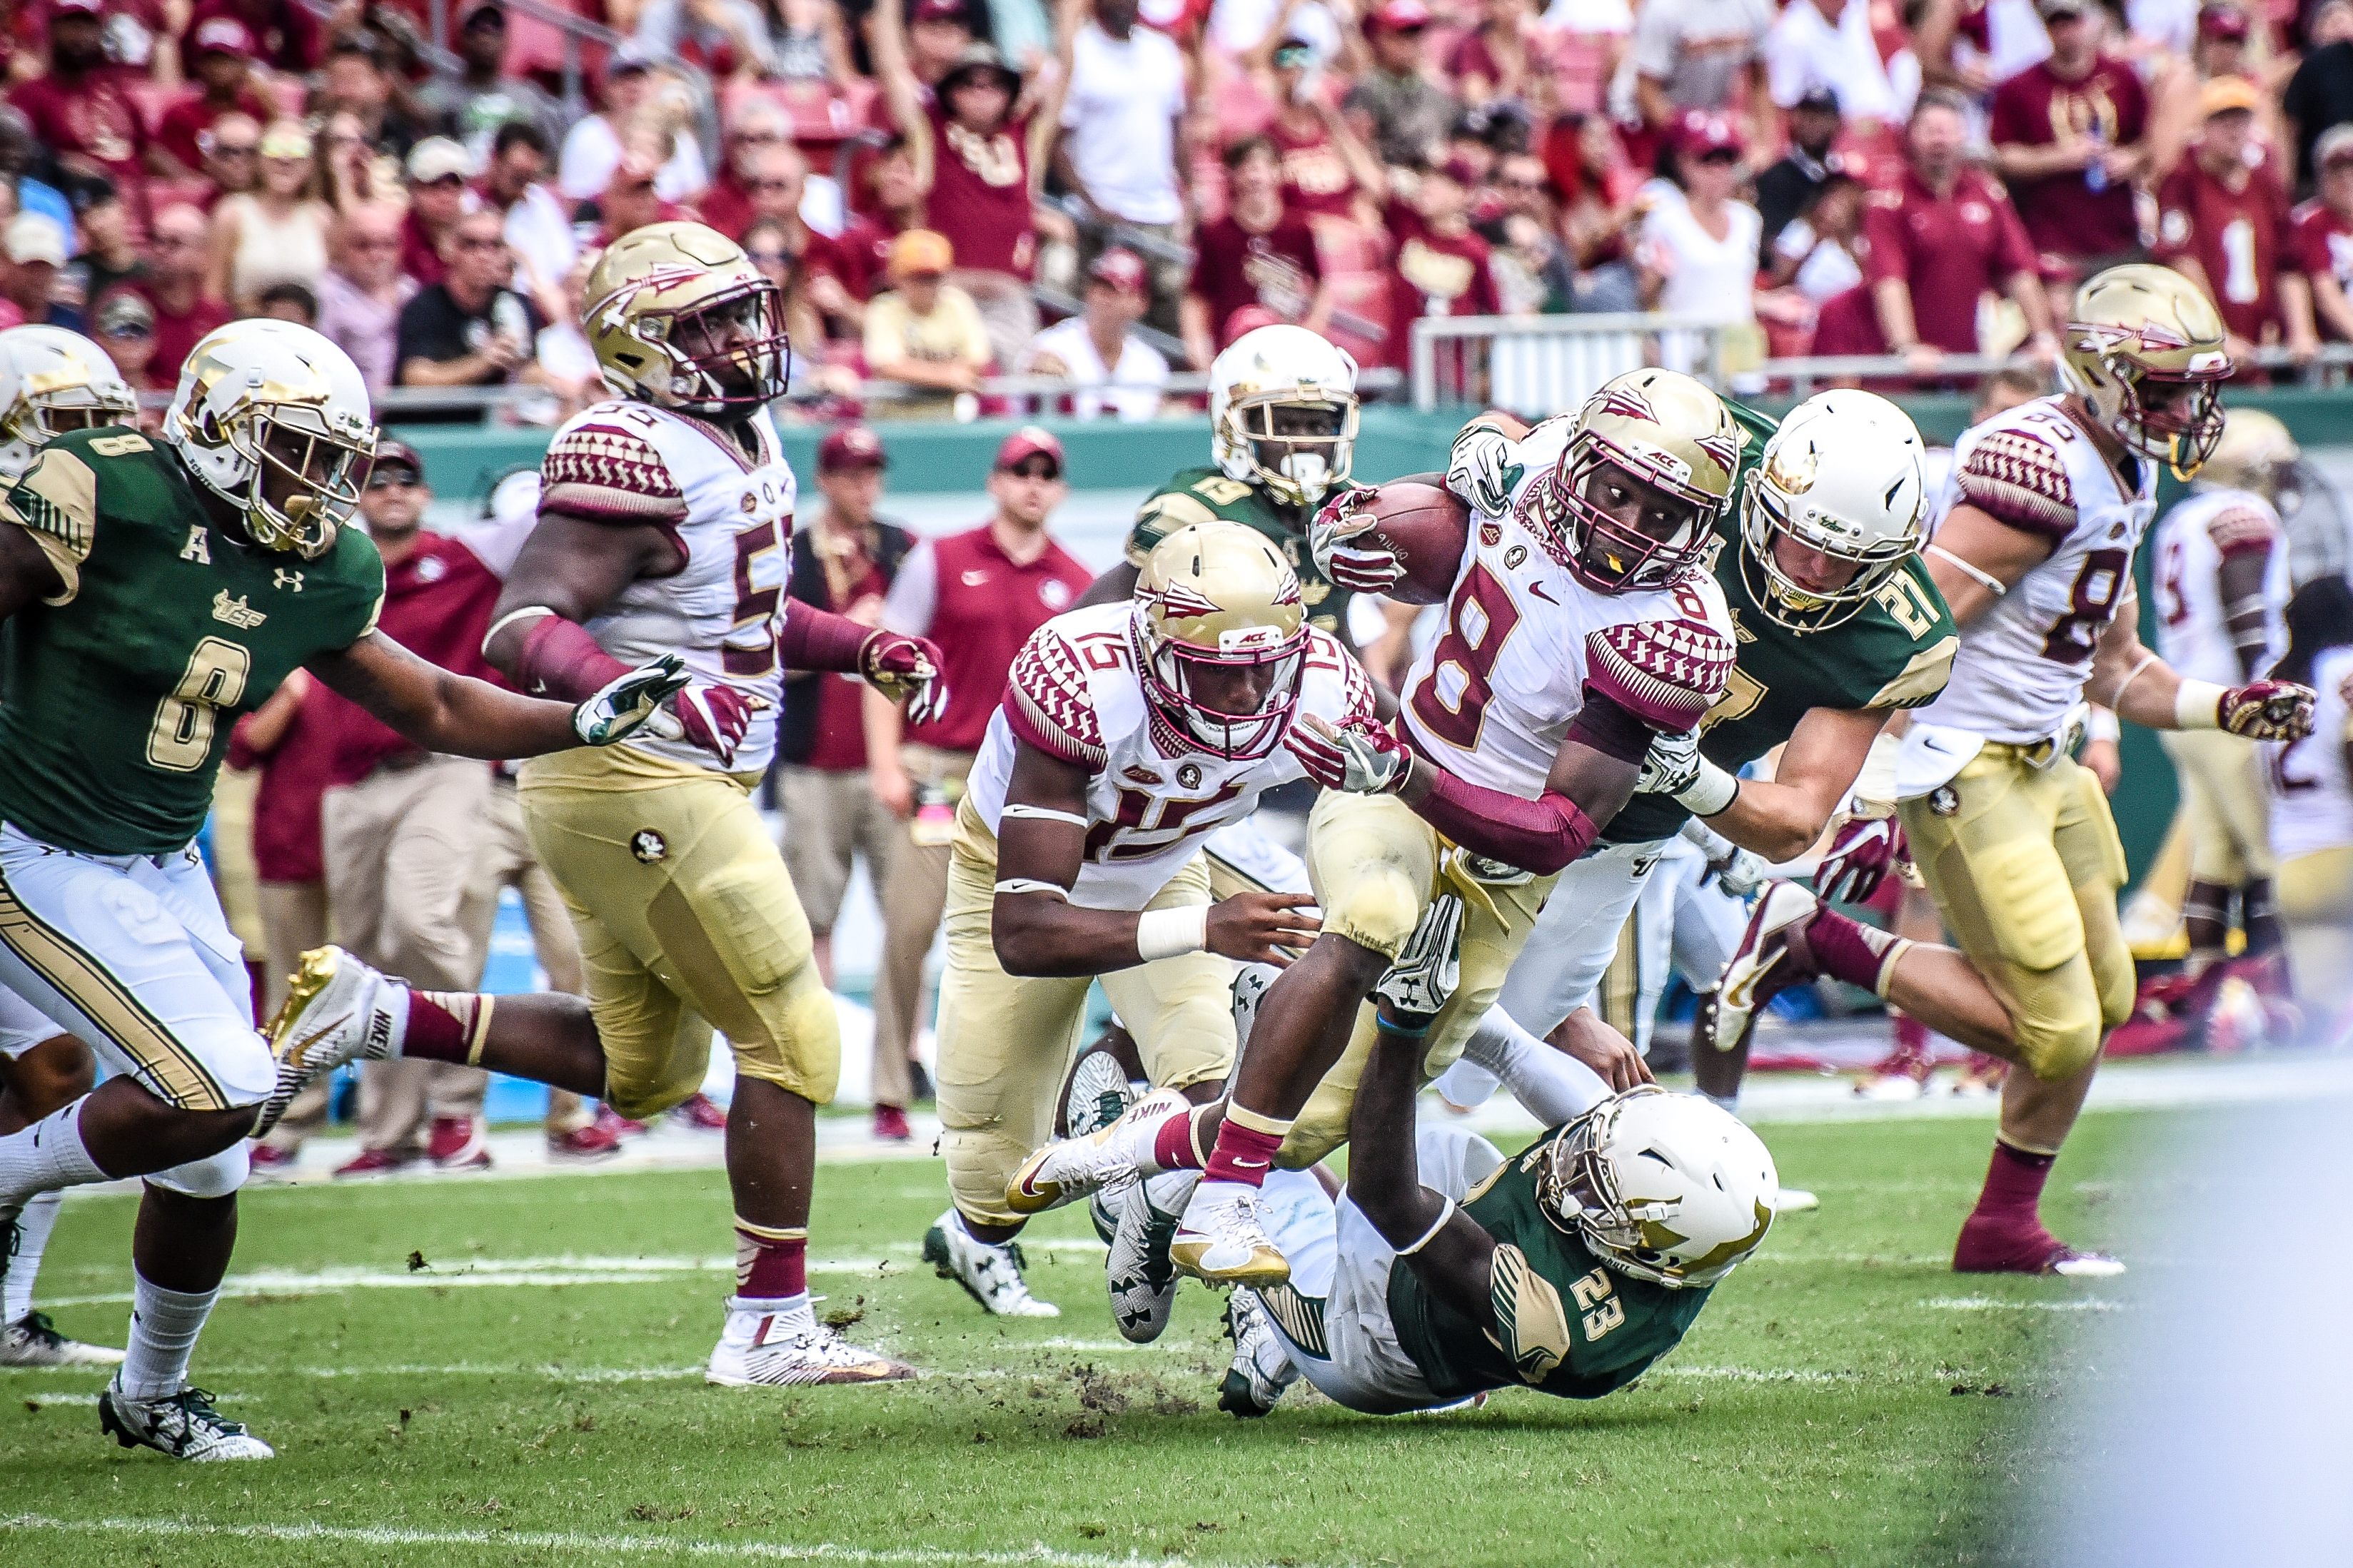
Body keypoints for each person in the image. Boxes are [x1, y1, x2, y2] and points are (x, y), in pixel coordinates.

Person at [0, 318, 684, 1459]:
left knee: (211, 1151)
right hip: (34, 842)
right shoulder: (107, 488)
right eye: (296, 450)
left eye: (333, 459)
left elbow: (436, 704)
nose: (316, 483)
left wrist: (578, 719)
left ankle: (151, 1393)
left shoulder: (324, 562)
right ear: (213, 429)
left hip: (159, 858)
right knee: (222, 1085)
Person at [272, 223, 943, 1387]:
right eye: (708, 323)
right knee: (796, 1035)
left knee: (650, 1073)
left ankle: (377, 1015)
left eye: (744, 312)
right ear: (639, 344)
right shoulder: (627, 449)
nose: (742, 338)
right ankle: (769, 1325)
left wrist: (859, 648)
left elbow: (738, 615)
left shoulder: (739, 436)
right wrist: (616, 687)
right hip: (634, 778)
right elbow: (523, 623)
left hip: (662, 784)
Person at [1019, 368, 1742, 1285]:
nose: (1629, 526)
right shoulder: (1538, 462)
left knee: (1313, 1124)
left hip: (1495, 858)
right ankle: (1224, 1197)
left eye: (1664, 513)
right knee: (1373, 917)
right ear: (1578, 463)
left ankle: (1132, 1149)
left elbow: (1559, 830)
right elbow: (1458, 466)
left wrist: (1411, 774)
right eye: (1616, 491)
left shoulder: (1672, 628)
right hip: (1386, 790)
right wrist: (1402, 506)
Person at [1706, 265, 2315, 1277]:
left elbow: (2114, 667)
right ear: (2103, 375)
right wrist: (1875, 789)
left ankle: (2001, 1227)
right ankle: (1814, 939)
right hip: (1967, 766)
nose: (2185, 413)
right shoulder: (2037, 467)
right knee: (2057, 1031)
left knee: (2106, 1002)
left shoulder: (2124, 466)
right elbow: (1906, 635)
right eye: (2165, 389)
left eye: (2192, 390)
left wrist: (2223, 705)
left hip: (2048, 760)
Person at [926, 522, 1365, 1317]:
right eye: (1216, 672)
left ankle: (1144, 1184)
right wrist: (1207, 928)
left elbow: (1410, 780)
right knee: (993, 1192)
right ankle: (1097, 1192)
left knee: (1216, 1091)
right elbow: (1024, 931)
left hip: (1161, 870)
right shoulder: (1083, 681)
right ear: (1157, 650)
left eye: (1263, 667)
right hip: (1016, 884)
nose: (1246, 696)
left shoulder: (1324, 685)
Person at [1220, 958, 1776, 1418]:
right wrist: (1427, 970)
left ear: (1647, 1257)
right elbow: (1507, 1046)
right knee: (1456, 1140)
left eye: (1596, 1191)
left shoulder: (1556, 1322)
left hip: (1374, 1340)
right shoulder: (1689, 1232)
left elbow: (1383, 1194)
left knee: (1242, 1162)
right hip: (1469, 1288)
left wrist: (1402, 1022)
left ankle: (1264, 1327)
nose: (1571, 1169)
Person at [865, 427, 1094, 1148]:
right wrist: (885, 762)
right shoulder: (939, 559)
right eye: (1020, 471)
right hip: (940, 771)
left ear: (1060, 490)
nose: (1033, 484)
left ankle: (1033, 1090)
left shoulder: (1076, 580)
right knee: (910, 927)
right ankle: (890, 1088)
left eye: (1046, 474)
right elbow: (888, 664)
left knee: (1041, 929)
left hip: (1030, 778)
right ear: (995, 481)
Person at [0, 323, 136, 1370]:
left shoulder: (106, 545)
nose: (92, 451)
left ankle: (6, 1311)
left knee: (59, 1065)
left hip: (32, 838)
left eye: (104, 425)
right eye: (67, 427)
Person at [1076, 325, 1364, 652]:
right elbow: (1087, 623)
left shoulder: (1343, 509)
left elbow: (1335, 637)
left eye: (1318, 426)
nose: (1303, 442)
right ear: (1233, 427)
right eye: (1283, 424)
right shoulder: (1198, 512)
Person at [2148, 408, 2289, 982]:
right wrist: (2267, 695)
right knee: (2271, 852)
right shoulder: (2242, 515)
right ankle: (2278, 987)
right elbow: (2247, 613)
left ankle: (2204, 981)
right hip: (2232, 705)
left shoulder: (2181, 519)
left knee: (2214, 854)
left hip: (2186, 704)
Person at [779, 425, 914, 1013]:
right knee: (811, 918)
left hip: (895, 765)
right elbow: (765, 658)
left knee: (908, 919)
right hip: (815, 764)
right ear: (824, 481)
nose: (866, 488)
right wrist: (843, 636)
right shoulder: (791, 554)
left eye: (873, 475)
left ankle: (905, 1049)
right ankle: (821, 1038)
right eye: (853, 476)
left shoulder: (902, 549)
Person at [1814, 91, 2056, 372]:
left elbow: (2019, 271)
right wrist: (1906, 347)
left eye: (1948, 131)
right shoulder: (1888, 199)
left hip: (1970, 360)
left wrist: (2044, 337)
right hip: (1907, 370)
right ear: (1910, 135)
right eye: (1930, 131)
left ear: (1964, 136)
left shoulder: (1987, 192)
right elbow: (1889, 280)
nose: (1940, 140)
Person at [874, 0, 1057, 369]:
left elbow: (1064, 75)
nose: (981, 91)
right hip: (946, 290)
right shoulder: (930, 130)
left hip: (1010, 295)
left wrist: (1068, 19)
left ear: (1008, 93)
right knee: (953, 380)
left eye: (994, 84)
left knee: (1011, 386)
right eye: (969, 84)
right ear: (952, 91)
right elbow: (891, 67)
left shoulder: (1025, 135)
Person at [1990, 0, 2151, 290]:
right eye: (2056, 24)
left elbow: (2149, 139)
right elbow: (2002, 156)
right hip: (2055, 241)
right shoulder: (2019, 88)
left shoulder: (2122, 76)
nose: (2066, 33)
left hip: (2119, 235)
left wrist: (2131, 158)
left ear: (2089, 23)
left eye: (2073, 22)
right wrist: (2059, 158)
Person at [1054, 0, 1190, 327]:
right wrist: (1092, 203)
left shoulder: (1162, 49)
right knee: (1094, 324)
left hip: (1160, 213)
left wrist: (1190, 192)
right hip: (1099, 219)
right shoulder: (1078, 52)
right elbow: (1055, 142)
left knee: (1167, 325)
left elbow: (1177, 130)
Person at [2154, 77, 2309, 363]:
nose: (2234, 132)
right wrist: (2218, 333)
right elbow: (2182, 261)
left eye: (2241, 122)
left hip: (2259, 342)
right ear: (2204, 127)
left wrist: (2301, 331)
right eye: (2223, 123)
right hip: (2200, 345)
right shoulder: (2182, 181)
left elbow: (2289, 262)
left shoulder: (2266, 183)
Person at [2264, 577, 2353, 1039]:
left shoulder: (2274, 685)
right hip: (2344, 854)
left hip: (2294, 871)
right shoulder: (2344, 669)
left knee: (2328, 1025)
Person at [1183, 138, 1332, 370]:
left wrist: (1310, 334)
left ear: (1279, 173)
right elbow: (1196, 297)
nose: (1256, 178)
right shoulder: (1215, 234)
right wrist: (1199, 353)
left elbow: (1323, 286)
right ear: (1233, 175)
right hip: (1233, 353)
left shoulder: (1299, 230)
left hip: (1285, 354)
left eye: (1264, 168)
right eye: (1247, 169)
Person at [1635, 115, 1760, 374]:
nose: (1717, 173)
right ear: (1685, 165)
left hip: (1737, 348)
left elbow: (1739, 286)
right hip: (1686, 351)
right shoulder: (1666, 220)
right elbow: (1648, 294)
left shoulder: (1748, 219)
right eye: (1707, 162)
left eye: (1725, 163)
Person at [393, 207, 545, 421]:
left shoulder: (517, 304)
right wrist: (483, 362)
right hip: (434, 426)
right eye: (471, 245)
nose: (484, 256)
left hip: (497, 428)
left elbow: (530, 368)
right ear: (449, 250)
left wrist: (558, 382)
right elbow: (415, 379)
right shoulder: (424, 306)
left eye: (495, 245)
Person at [1019, 247, 1169, 420]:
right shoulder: (1052, 347)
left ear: (1141, 303)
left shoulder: (1151, 364)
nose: (1102, 297)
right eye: (1097, 287)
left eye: (1114, 291)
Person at [205, 121, 335, 318]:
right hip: (246, 325)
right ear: (258, 159)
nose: (285, 159)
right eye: (274, 148)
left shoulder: (322, 217)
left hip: (305, 330)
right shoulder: (232, 213)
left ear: (310, 163)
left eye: (298, 150)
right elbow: (212, 293)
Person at [861, 228, 993, 420]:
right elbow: (887, 366)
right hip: (892, 424)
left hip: (946, 424)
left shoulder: (957, 304)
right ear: (897, 277)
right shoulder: (884, 308)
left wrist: (915, 371)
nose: (926, 287)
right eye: (917, 278)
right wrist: (947, 376)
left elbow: (977, 362)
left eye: (932, 278)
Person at [417, 1, 566, 162]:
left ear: (507, 41)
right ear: (461, 37)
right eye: (476, 28)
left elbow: (553, 158)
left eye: (495, 28)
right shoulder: (435, 94)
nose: (485, 37)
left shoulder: (529, 97)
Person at [558, 49, 706, 206]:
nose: (632, 88)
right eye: (624, 80)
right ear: (607, 89)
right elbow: (572, 203)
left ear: (652, 86)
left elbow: (696, 196)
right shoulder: (585, 136)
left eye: (639, 79)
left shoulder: (676, 133)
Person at [1385, 157, 1503, 354]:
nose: (1428, 188)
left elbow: (1493, 314)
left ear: (1463, 194)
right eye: (1427, 179)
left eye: (1441, 182)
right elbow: (1373, 183)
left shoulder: (1476, 250)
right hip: (1401, 361)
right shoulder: (1407, 225)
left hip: (1449, 367)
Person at [1631, 0, 1775, 151]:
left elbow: (1762, 79)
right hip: (1650, 127)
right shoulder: (1663, 8)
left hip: (1712, 122)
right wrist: (1689, 137)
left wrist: (1763, 145)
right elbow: (1647, 92)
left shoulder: (1755, 5)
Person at [1344, 0, 1460, 169]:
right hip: (1392, 171)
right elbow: (1359, 149)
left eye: (1414, 36)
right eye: (1400, 36)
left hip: (1436, 172)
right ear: (1382, 38)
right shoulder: (1366, 89)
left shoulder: (1434, 87)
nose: (1408, 44)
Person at [1762, 0, 1905, 135]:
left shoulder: (1855, 10)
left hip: (1890, 125)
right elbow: (1787, 106)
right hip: (1842, 137)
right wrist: (1846, 126)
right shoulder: (1793, 33)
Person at [480, 123, 575, 326]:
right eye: (516, 173)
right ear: (496, 160)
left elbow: (565, 264)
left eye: (528, 176)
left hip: (541, 305)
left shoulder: (540, 202)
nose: (522, 182)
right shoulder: (471, 203)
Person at [315, 204, 415, 393]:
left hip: (411, 404)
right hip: (352, 401)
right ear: (340, 247)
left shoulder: (411, 291)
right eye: (363, 245)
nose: (377, 255)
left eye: (389, 245)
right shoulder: (324, 295)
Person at [1753, 86, 1845, 263]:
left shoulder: (1842, 179)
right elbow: (1767, 243)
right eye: (1806, 114)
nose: (1812, 122)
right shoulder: (1775, 178)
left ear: (1837, 122)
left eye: (1821, 115)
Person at [2289, 124, 2353, 342]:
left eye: (2352, 170)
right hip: (2330, 346)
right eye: (2337, 172)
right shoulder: (2309, 222)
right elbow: (2325, 293)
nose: (2346, 180)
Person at [400, 138, 475, 290]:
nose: (444, 197)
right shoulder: (398, 239)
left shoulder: (476, 236)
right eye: (433, 186)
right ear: (412, 189)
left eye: (455, 185)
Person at [1, 215, 79, 332]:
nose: (38, 278)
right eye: (30, 267)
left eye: (47, 267)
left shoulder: (70, 323)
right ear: (5, 262)